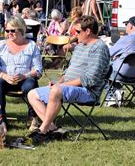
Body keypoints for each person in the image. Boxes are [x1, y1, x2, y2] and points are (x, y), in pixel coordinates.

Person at [27, 15, 110, 144]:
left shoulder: (99, 48)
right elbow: (68, 71)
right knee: (32, 94)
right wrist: (59, 82)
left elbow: (89, 79)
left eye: (78, 32)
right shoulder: (80, 46)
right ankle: (54, 129)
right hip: (68, 87)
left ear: (88, 31)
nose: (75, 35)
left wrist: (61, 86)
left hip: (87, 91)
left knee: (56, 91)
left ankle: (42, 131)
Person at [0, 16, 42, 130]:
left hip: (24, 79)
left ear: (22, 30)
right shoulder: (1, 45)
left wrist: (24, 76)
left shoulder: (32, 46)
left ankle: (33, 118)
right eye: (7, 30)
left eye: (12, 30)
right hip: (5, 79)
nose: (9, 33)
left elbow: (38, 69)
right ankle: (1, 120)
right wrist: (5, 76)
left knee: (30, 85)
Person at [106, 16, 135, 106]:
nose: (126, 27)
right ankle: (117, 90)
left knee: (102, 68)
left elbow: (109, 53)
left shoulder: (126, 39)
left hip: (121, 74)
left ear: (130, 26)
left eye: (126, 24)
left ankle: (111, 97)